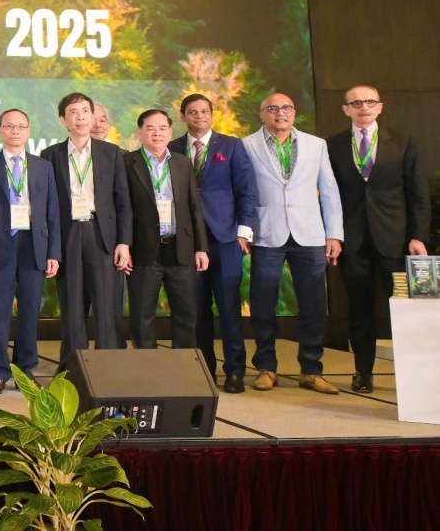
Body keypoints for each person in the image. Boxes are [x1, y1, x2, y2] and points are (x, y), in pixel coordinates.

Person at [327, 85, 430, 393]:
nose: (364, 107)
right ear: (346, 109)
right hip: (353, 242)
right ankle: (363, 372)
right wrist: (333, 235)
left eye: (370, 102)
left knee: (406, 311)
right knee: (359, 311)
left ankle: (414, 376)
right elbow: (329, 195)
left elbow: (418, 192)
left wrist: (418, 236)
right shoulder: (332, 145)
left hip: (396, 241)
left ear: (380, 107)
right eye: (357, 102)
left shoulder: (403, 141)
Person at [241, 93, 344, 395]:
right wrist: (245, 231)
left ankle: (311, 370)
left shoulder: (316, 144)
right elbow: (243, 191)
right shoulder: (246, 145)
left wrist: (334, 234)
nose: (280, 113)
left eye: (286, 108)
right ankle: (266, 367)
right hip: (266, 233)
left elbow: (329, 191)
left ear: (294, 113)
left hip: (309, 235)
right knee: (263, 304)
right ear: (262, 114)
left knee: (313, 304)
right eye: (272, 108)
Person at [169, 93, 258, 393]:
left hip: (226, 237)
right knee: (196, 309)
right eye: (193, 112)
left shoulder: (231, 146)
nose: (199, 116)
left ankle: (235, 371)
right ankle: (204, 369)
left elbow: (246, 190)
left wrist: (244, 231)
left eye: (204, 111)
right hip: (188, 240)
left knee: (229, 307)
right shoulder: (172, 148)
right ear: (183, 116)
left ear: (212, 114)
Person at [41, 93, 133, 362]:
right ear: (63, 119)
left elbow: (123, 201)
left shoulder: (111, 153)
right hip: (68, 234)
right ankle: (72, 369)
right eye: (73, 112)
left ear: (93, 117)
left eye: (85, 111)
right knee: (72, 307)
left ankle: (108, 368)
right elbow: (48, 206)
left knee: (107, 308)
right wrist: (51, 249)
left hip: (102, 235)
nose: (80, 117)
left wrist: (124, 243)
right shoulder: (50, 155)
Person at [0, 109, 60, 395]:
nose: (15, 131)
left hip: (33, 246)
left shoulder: (43, 167)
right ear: (0, 131)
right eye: (9, 126)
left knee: (29, 313)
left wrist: (53, 252)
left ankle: (25, 370)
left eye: (20, 126)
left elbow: (52, 212)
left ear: (28, 131)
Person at [125, 109, 209, 351]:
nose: (157, 133)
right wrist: (125, 245)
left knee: (186, 314)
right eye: (150, 128)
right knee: (142, 316)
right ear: (140, 132)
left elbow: (194, 207)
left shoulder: (182, 163)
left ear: (170, 133)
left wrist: (201, 248)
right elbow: (123, 209)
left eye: (163, 128)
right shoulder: (127, 163)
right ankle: (148, 368)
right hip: (144, 251)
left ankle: (183, 368)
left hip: (180, 249)